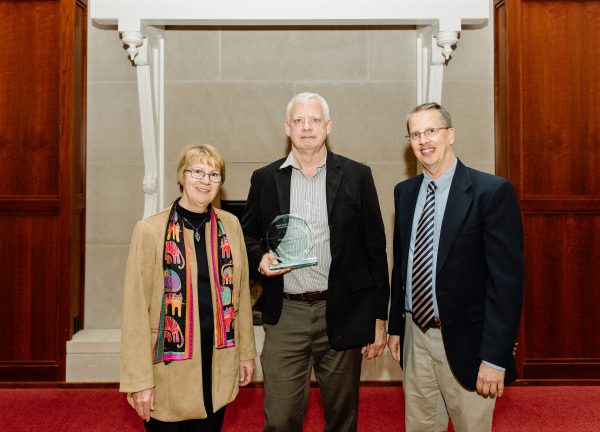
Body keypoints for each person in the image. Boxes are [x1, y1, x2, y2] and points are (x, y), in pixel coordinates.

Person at [242, 92, 390, 432]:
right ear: (287, 128)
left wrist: (378, 317)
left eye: (314, 120)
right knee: (279, 420)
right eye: (298, 121)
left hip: (341, 310)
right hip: (286, 315)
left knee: (342, 418)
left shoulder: (357, 175)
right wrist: (260, 257)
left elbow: (374, 251)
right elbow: (247, 236)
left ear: (328, 126)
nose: (306, 128)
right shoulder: (264, 179)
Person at [387, 102, 524, 431]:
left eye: (431, 130)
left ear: (450, 134)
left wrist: (495, 357)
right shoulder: (405, 192)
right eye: (415, 134)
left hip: (470, 343)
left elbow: (506, 284)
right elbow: (402, 265)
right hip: (416, 337)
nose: (424, 140)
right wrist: (395, 326)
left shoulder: (491, 192)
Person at [120, 144, 256, 431]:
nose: (205, 180)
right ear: (182, 176)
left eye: (214, 174)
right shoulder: (149, 230)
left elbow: (241, 297)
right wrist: (140, 380)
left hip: (217, 364)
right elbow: (134, 312)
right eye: (197, 171)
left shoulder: (231, 226)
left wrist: (246, 354)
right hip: (168, 371)